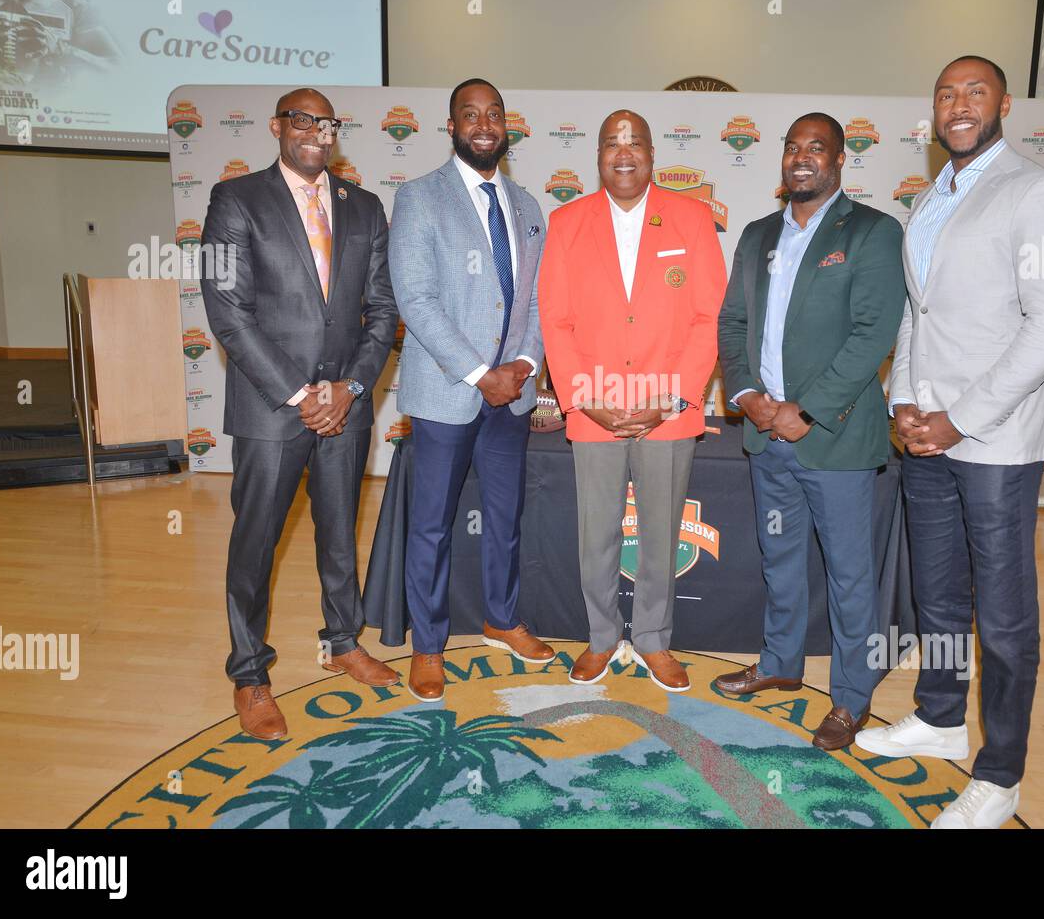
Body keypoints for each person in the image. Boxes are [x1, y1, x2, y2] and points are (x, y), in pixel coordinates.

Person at [855, 56, 1044, 828]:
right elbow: (923, 313)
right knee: (940, 594)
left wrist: (960, 416)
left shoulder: (1035, 192)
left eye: (974, 92)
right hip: (928, 434)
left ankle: (1002, 771)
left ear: (1004, 103)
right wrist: (909, 399)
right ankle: (942, 715)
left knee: (1007, 616)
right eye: (946, 93)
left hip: (998, 440)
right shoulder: (931, 198)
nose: (958, 105)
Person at [200, 87, 400, 740]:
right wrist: (300, 393)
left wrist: (351, 387)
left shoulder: (364, 207)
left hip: (346, 406)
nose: (317, 131)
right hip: (270, 409)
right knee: (255, 544)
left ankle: (344, 641)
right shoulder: (235, 201)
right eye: (303, 120)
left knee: (340, 530)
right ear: (277, 126)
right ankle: (251, 674)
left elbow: (382, 311)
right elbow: (227, 308)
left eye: (327, 122)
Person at [714, 113, 905, 751]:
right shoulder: (757, 234)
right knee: (781, 560)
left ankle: (851, 699)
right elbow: (732, 324)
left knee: (851, 576)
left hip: (836, 440)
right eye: (792, 147)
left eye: (815, 149)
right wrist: (747, 396)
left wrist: (806, 409)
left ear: (840, 159)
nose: (801, 158)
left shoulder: (874, 232)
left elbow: (872, 335)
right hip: (766, 434)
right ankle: (780, 664)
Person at [539, 109, 725, 692]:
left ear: (652, 153)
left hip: (668, 411)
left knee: (660, 530)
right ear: (598, 156)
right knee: (596, 533)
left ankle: (652, 638)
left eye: (635, 142)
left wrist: (670, 399)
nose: (624, 153)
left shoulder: (692, 220)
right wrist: (580, 397)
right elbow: (556, 318)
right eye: (612, 143)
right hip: (594, 406)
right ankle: (600, 637)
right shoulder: (567, 222)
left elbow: (708, 317)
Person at [385, 78, 553, 702]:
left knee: (505, 518)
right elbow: (417, 300)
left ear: (507, 125)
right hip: (447, 394)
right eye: (470, 114)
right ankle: (428, 647)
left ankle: (501, 619)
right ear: (451, 125)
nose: (484, 124)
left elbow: (536, 299)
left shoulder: (529, 205)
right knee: (431, 524)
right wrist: (481, 374)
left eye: (494, 114)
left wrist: (525, 364)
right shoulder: (420, 199)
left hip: (513, 393)